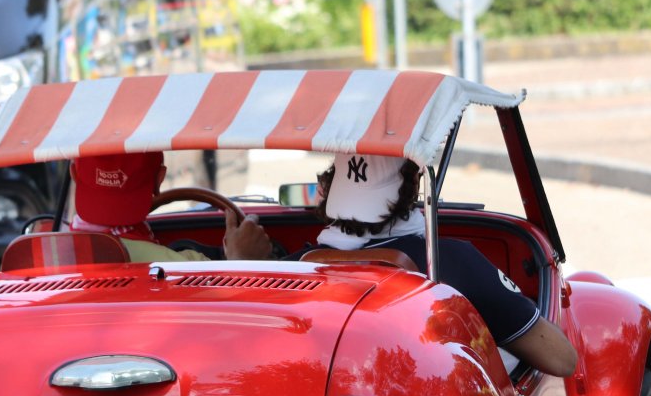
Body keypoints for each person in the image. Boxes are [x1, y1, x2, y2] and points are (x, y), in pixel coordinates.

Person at [307, 153, 578, 377]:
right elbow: (560, 359)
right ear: (414, 184)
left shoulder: (291, 266)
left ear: (333, 188)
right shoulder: (452, 262)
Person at [69, 152, 272, 262]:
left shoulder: (52, 255)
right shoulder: (182, 268)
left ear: (74, 174)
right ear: (159, 180)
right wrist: (243, 259)